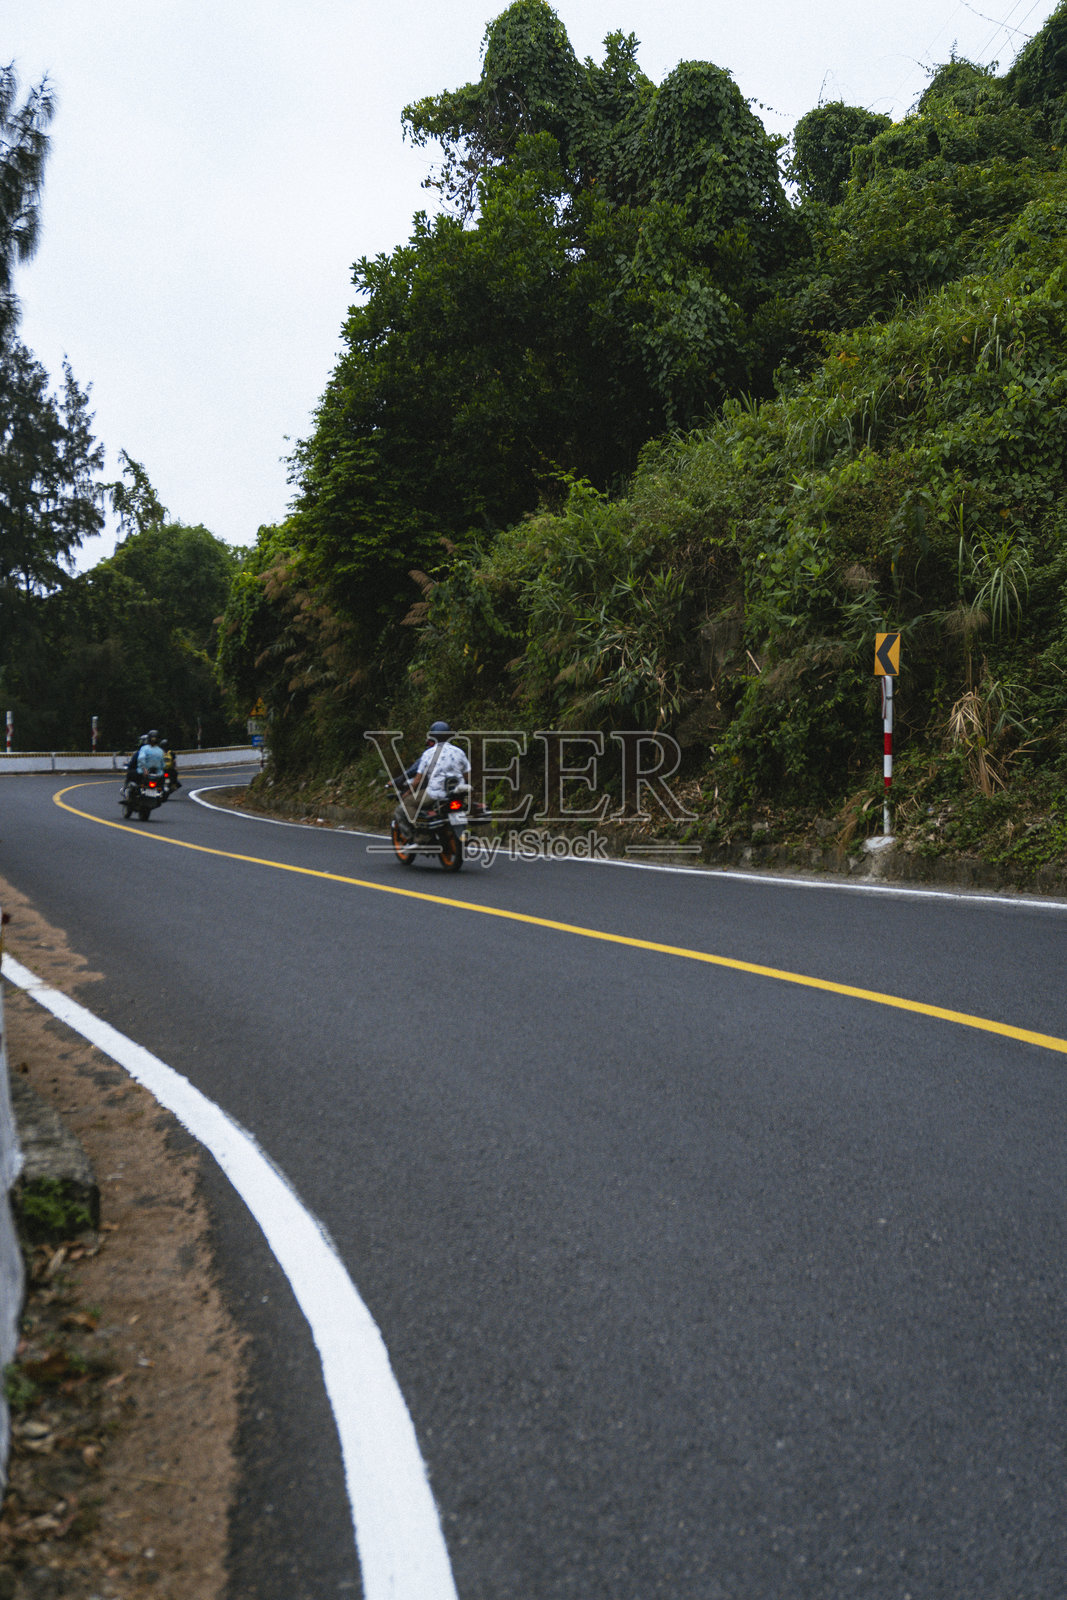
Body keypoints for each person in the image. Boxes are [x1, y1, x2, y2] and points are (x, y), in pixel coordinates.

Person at [411, 721, 470, 815]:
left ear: (432, 737)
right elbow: (467, 776)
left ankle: (414, 828)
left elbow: (417, 780)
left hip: (435, 795)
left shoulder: (427, 754)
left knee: (407, 803)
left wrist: (408, 792)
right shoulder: (459, 752)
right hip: (457, 794)